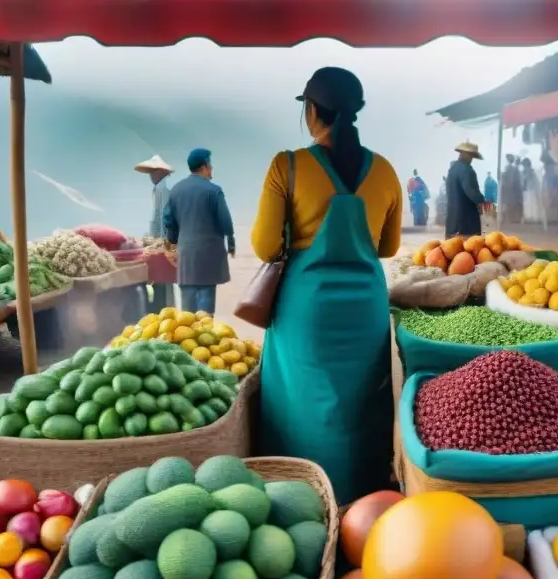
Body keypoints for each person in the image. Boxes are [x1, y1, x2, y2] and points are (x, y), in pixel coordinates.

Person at [251, 66, 401, 505]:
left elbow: (263, 246)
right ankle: (360, 503)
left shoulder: (288, 165)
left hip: (306, 310)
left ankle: (299, 497)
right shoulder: (386, 171)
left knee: (300, 403)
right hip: (365, 310)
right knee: (359, 407)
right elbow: (388, 247)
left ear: (312, 111)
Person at [162, 148, 235, 316]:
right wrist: (231, 243)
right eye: (210, 165)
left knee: (187, 313)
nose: (211, 169)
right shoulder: (214, 191)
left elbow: (169, 222)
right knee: (205, 311)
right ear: (205, 166)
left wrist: (172, 245)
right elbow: (226, 222)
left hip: (186, 256)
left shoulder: (176, 191)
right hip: (209, 256)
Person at [134, 154, 175, 311]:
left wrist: (159, 242)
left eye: (153, 172)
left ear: (160, 172)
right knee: (162, 279)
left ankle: (164, 308)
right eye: (150, 172)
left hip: (162, 240)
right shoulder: (159, 188)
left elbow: (163, 217)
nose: (151, 176)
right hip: (160, 239)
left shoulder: (162, 189)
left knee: (162, 278)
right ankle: (165, 307)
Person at [445, 141, 485, 239]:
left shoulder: (453, 169)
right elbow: (470, 191)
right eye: (470, 155)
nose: (471, 159)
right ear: (464, 154)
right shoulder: (466, 170)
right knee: (469, 249)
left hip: (452, 221)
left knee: (451, 250)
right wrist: (481, 201)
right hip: (466, 221)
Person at [501, 154, 523, 223]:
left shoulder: (512, 169)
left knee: (510, 204)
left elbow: (514, 179)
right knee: (508, 204)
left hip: (511, 189)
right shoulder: (510, 168)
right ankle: (507, 218)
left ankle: (508, 218)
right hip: (508, 189)